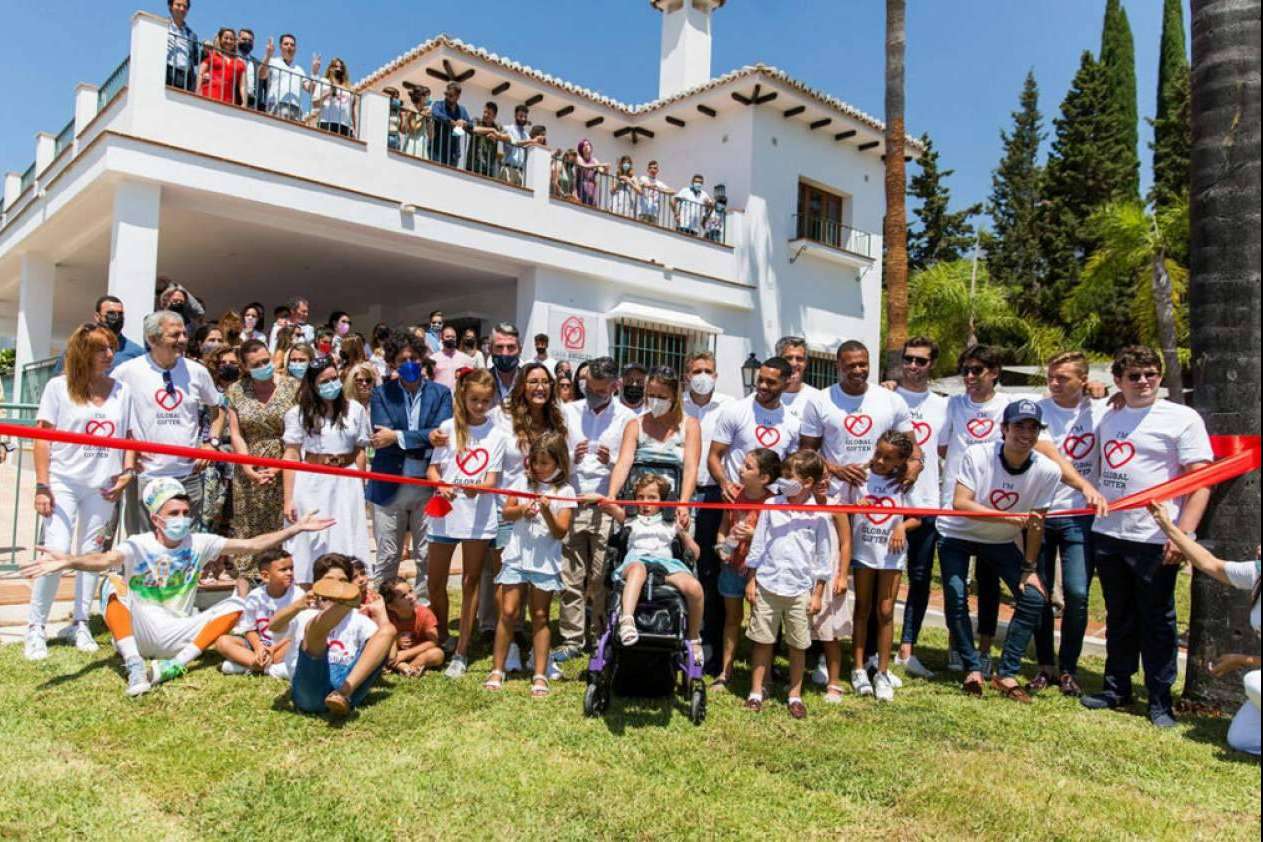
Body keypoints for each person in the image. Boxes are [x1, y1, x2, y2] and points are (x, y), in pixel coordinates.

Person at [21, 477, 334, 697]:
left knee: (238, 603)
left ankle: (175, 666)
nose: (182, 519)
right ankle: (134, 665)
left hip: (181, 635)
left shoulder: (200, 542)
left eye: (185, 513)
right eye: (174, 514)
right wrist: (69, 561)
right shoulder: (138, 544)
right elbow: (104, 559)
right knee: (113, 583)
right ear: (156, 519)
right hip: (141, 633)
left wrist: (296, 529)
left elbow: (252, 545)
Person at [1082, 346, 1213, 727]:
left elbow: (1201, 481)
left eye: (1150, 374)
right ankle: (1116, 688)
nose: (1144, 381)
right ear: (1119, 380)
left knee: (1157, 621)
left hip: (1156, 538)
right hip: (1109, 533)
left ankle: (1159, 700)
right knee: (1119, 616)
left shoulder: (1182, 418)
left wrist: (1183, 534)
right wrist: (1104, 393)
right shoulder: (1108, 414)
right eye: (1134, 376)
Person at [938, 400, 1063, 701]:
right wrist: (1008, 518)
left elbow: (1036, 524)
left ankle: (1006, 673)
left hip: (1000, 541)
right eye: (1019, 426)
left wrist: (1029, 569)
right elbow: (961, 503)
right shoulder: (978, 454)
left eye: (1033, 428)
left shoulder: (1048, 470)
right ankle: (972, 667)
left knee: (1034, 598)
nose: (1026, 433)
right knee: (956, 595)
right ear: (1004, 429)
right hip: (957, 534)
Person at [26, 324, 137, 660]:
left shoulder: (122, 390)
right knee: (56, 551)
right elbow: (42, 438)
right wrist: (42, 485)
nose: (109, 354)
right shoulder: (58, 388)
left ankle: (81, 622)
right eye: (101, 348)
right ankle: (36, 627)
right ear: (82, 352)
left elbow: (129, 437)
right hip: (63, 482)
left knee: (91, 555)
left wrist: (127, 471)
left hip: (103, 485)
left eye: (112, 347)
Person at [476, 361, 568, 662]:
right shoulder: (502, 417)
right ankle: (511, 640)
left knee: (536, 574)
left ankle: (528, 638)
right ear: (522, 386)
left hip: (545, 508)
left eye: (544, 382)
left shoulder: (558, 420)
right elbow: (474, 429)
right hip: (510, 506)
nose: (539, 387)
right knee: (508, 578)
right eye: (532, 382)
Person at [1149, 504, 1259, 754]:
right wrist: (1168, 526)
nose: (1259, 548)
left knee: (1255, 682)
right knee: (1242, 739)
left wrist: (1240, 660)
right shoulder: (1257, 574)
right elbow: (1211, 565)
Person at [1029, 351, 1108, 696]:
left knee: (1077, 593)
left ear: (1083, 380)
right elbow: (1051, 456)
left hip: (1081, 518)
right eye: (1051, 376)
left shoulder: (1101, 410)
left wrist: (1109, 393)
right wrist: (1085, 485)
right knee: (1041, 593)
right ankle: (1045, 664)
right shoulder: (1039, 411)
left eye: (1063, 378)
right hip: (1042, 512)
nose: (1054, 383)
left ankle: (1069, 669)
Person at [425, 369, 509, 677]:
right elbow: (432, 470)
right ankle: (441, 636)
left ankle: (462, 650)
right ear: (463, 396)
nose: (479, 406)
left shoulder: (497, 435)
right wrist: (441, 485)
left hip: (477, 518)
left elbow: (491, 480)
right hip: (444, 513)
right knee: (435, 581)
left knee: (470, 581)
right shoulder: (448, 428)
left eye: (485, 401)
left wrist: (479, 488)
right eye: (474, 399)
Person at [743, 450, 834, 720]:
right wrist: (752, 579)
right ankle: (756, 691)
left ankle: (795, 695)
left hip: (799, 588)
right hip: (768, 583)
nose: (782, 480)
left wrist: (817, 593)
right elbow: (759, 544)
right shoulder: (772, 504)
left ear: (807, 482)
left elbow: (823, 557)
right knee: (762, 641)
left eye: (788, 476)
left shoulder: (819, 515)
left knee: (798, 644)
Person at [556, 357, 637, 660]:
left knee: (601, 575)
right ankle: (571, 639)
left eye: (600, 390)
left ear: (615, 386)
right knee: (571, 575)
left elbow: (629, 462)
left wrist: (611, 461)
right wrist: (570, 458)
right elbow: (554, 455)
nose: (593, 394)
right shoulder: (569, 412)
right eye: (589, 388)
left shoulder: (627, 418)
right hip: (573, 501)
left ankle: (600, 635)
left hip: (605, 505)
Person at [113, 310, 221, 535]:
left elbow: (218, 408)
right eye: (174, 335)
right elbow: (107, 411)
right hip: (145, 476)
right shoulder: (127, 372)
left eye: (184, 334)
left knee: (184, 541)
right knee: (143, 542)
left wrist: (211, 443)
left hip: (188, 475)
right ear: (152, 339)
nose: (182, 340)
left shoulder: (197, 371)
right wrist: (126, 452)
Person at [487, 433, 576, 694]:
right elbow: (507, 512)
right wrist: (522, 510)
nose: (538, 467)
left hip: (544, 561)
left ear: (559, 462)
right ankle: (497, 669)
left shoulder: (565, 491)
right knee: (508, 612)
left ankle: (539, 673)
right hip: (516, 556)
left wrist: (546, 511)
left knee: (540, 615)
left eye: (544, 463)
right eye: (535, 461)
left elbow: (560, 532)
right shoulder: (521, 482)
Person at [366, 331, 451, 586]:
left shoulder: (441, 393)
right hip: (389, 484)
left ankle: (425, 604)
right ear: (392, 363)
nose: (409, 364)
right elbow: (382, 434)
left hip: (427, 485)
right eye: (402, 360)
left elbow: (441, 432)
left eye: (413, 358)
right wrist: (423, 437)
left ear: (422, 358)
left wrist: (397, 436)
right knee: (388, 554)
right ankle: (383, 602)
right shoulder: (381, 394)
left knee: (426, 555)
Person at [842, 431, 919, 702]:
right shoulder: (860, 475)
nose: (880, 461)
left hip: (890, 556)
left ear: (901, 461)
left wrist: (902, 526)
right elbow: (843, 509)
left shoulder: (904, 483)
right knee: (862, 608)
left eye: (888, 458)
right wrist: (856, 506)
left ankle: (882, 673)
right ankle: (858, 668)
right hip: (864, 553)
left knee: (885, 611)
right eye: (878, 454)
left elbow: (917, 517)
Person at [888, 337, 949, 679]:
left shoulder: (945, 405)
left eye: (921, 361)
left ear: (931, 364)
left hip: (926, 504)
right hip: (889, 504)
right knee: (881, 576)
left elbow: (945, 450)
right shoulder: (886, 396)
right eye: (908, 359)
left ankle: (907, 648)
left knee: (921, 578)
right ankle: (874, 646)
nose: (913, 366)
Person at [270, 553, 396, 717]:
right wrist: (298, 605)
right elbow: (274, 626)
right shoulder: (305, 614)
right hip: (310, 688)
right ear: (317, 584)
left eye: (342, 581)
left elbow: (391, 655)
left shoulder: (357, 618)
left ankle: (342, 694)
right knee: (313, 627)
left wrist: (382, 615)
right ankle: (341, 695)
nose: (337, 586)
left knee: (388, 630)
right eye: (329, 580)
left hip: (347, 683)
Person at [281, 357, 371, 584]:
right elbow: (291, 454)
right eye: (324, 381)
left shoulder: (355, 410)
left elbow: (359, 450)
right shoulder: (298, 414)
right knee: (312, 539)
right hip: (312, 481)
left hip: (347, 479)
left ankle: (348, 585)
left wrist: (359, 486)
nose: (331, 385)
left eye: (334, 378)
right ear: (313, 385)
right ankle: (308, 588)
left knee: (347, 534)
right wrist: (288, 499)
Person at [600, 474, 704, 655]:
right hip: (636, 561)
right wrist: (596, 498)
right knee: (638, 569)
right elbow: (606, 504)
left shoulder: (671, 523)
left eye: (652, 498)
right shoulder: (630, 518)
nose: (645, 503)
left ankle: (694, 637)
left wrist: (683, 533)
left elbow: (695, 554)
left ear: (663, 500)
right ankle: (627, 621)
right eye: (640, 497)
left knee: (694, 587)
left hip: (665, 565)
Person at [225, 339, 300, 581]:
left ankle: (282, 582)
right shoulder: (236, 390)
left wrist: (278, 468)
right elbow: (236, 433)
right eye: (256, 364)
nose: (263, 367)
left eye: (266, 361)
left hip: (286, 465)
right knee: (249, 530)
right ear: (245, 367)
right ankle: (247, 585)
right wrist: (248, 468)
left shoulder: (293, 387)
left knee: (282, 530)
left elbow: (298, 433)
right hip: (249, 469)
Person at [681, 351, 735, 674]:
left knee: (712, 571)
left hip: (715, 496)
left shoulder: (730, 406)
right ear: (686, 375)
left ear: (716, 375)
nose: (702, 375)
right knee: (684, 566)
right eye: (696, 370)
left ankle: (711, 643)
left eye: (708, 370)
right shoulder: (677, 407)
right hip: (683, 496)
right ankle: (682, 636)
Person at [712, 448, 780, 689]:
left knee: (762, 623)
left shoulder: (773, 502)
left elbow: (778, 540)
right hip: (732, 567)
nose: (741, 469)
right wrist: (721, 546)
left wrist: (755, 535)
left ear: (764, 478)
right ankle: (725, 672)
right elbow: (724, 525)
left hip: (760, 572)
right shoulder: (733, 495)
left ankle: (764, 676)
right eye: (743, 464)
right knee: (732, 619)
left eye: (748, 467)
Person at [607, 366, 701, 527]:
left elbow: (691, 468)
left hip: (674, 509)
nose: (655, 401)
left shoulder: (690, 426)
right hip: (639, 509)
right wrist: (611, 495)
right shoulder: (634, 425)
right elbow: (623, 463)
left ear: (674, 396)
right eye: (651, 395)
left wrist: (684, 503)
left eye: (662, 397)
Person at [708, 357, 802, 500]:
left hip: (773, 503)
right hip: (735, 500)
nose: (763, 386)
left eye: (771, 382)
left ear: (786, 384)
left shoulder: (793, 423)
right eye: (760, 380)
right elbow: (714, 456)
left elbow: (790, 468)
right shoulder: (735, 411)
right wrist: (725, 484)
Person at [216, 549, 303, 678]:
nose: (289, 573)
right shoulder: (255, 596)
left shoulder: (298, 595)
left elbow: (298, 633)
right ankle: (265, 667)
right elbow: (249, 629)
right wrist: (259, 647)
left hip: (284, 646)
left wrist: (273, 649)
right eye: (283, 570)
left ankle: (248, 667)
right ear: (266, 576)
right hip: (261, 645)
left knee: (300, 643)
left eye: (291, 568)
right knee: (222, 642)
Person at [53, 296, 145, 375]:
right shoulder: (78, 348)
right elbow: (60, 381)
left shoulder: (137, 353)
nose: (117, 318)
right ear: (97, 317)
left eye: (120, 314)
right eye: (111, 314)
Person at [379, 576, 445, 677]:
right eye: (403, 596)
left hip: (419, 653)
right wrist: (396, 640)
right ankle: (402, 667)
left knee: (438, 654)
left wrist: (406, 654)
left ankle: (408, 667)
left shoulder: (425, 614)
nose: (410, 596)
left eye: (410, 591)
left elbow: (434, 641)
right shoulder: (387, 617)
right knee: (380, 652)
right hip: (395, 654)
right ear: (391, 606)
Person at [259, 34, 313, 121]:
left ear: (295, 49)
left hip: (296, 109)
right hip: (276, 106)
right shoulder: (273, 61)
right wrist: (268, 55)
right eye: (286, 44)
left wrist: (314, 74)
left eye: (292, 45)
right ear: (280, 47)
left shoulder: (299, 70)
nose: (289, 47)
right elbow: (261, 75)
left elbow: (310, 89)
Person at [774, 336, 821, 421]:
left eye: (799, 359)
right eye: (788, 358)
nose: (794, 363)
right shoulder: (763, 397)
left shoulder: (818, 399)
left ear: (806, 363)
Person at [197, 28, 247, 105]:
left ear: (235, 42)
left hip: (229, 100)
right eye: (226, 38)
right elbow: (200, 73)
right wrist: (198, 90)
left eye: (231, 39)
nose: (228, 41)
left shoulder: (241, 63)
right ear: (220, 39)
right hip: (209, 95)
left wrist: (244, 102)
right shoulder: (212, 55)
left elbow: (243, 85)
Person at [501, 105, 547, 186]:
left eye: (525, 117)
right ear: (515, 116)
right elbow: (515, 142)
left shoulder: (526, 135)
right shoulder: (507, 129)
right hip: (508, 168)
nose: (523, 119)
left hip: (521, 171)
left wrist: (539, 142)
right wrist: (533, 140)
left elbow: (529, 148)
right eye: (521, 116)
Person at [430, 82, 472, 167]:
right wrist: (451, 122)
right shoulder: (438, 104)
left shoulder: (462, 110)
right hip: (437, 151)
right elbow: (435, 113)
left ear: (458, 97)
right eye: (446, 94)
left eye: (451, 95)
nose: (447, 97)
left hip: (454, 154)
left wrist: (464, 124)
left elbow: (471, 124)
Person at [313, 57, 356, 136]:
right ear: (330, 69)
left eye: (341, 68)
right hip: (327, 123)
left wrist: (354, 128)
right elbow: (315, 104)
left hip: (345, 127)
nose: (338, 69)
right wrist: (328, 92)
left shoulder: (349, 88)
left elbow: (352, 111)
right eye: (336, 67)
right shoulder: (324, 82)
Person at [165, 0, 200, 91]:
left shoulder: (191, 34)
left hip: (185, 75)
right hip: (166, 70)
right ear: (170, 6)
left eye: (185, 7)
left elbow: (195, 59)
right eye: (178, 5)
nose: (182, 9)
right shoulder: (163, 27)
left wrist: (205, 52)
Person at [431, 325, 477, 390]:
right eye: (447, 337)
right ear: (441, 338)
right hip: (439, 395)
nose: (451, 339)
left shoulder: (466, 359)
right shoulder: (433, 359)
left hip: (458, 395)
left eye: (453, 337)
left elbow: (471, 380)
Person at [487, 322, 522, 405]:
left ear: (520, 350)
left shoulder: (528, 381)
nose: (505, 353)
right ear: (490, 350)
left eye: (511, 347)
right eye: (499, 347)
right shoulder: (480, 381)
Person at [469, 101, 506, 177]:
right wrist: (492, 130)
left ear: (494, 116)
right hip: (473, 166)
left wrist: (497, 137)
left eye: (489, 113)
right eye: (484, 112)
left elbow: (507, 137)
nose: (485, 115)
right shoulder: (477, 121)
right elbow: (473, 129)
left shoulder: (498, 127)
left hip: (489, 169)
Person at [573, 139, 607, 206]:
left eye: (588, 144)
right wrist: (600, 165)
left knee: (591, 206)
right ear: (581, 149)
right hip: (581, 187)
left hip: (592, 189)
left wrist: (606, 168)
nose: (586, 146)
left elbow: (602, 172)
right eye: (584, 145)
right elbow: (584, 166)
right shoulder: (579, 158)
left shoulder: (594, 160)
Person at [637, 160, 671, 226]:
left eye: (655, 168)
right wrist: (651, 186)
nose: (652, 170)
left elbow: (672, 191)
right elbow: (641, 184)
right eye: (650, 168)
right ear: (647, 170)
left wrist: (659, 189)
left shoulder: (659, 183)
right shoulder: (643, 178)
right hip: (643, 211)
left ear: (657, 170)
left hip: (654, 213)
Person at [236, 29, 263, 110]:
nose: (247, 42)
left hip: (252, 104)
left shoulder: (257, 63)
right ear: (238, 40)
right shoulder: (232, 57)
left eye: (250, 41)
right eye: (244, 39)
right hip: (234, 99)